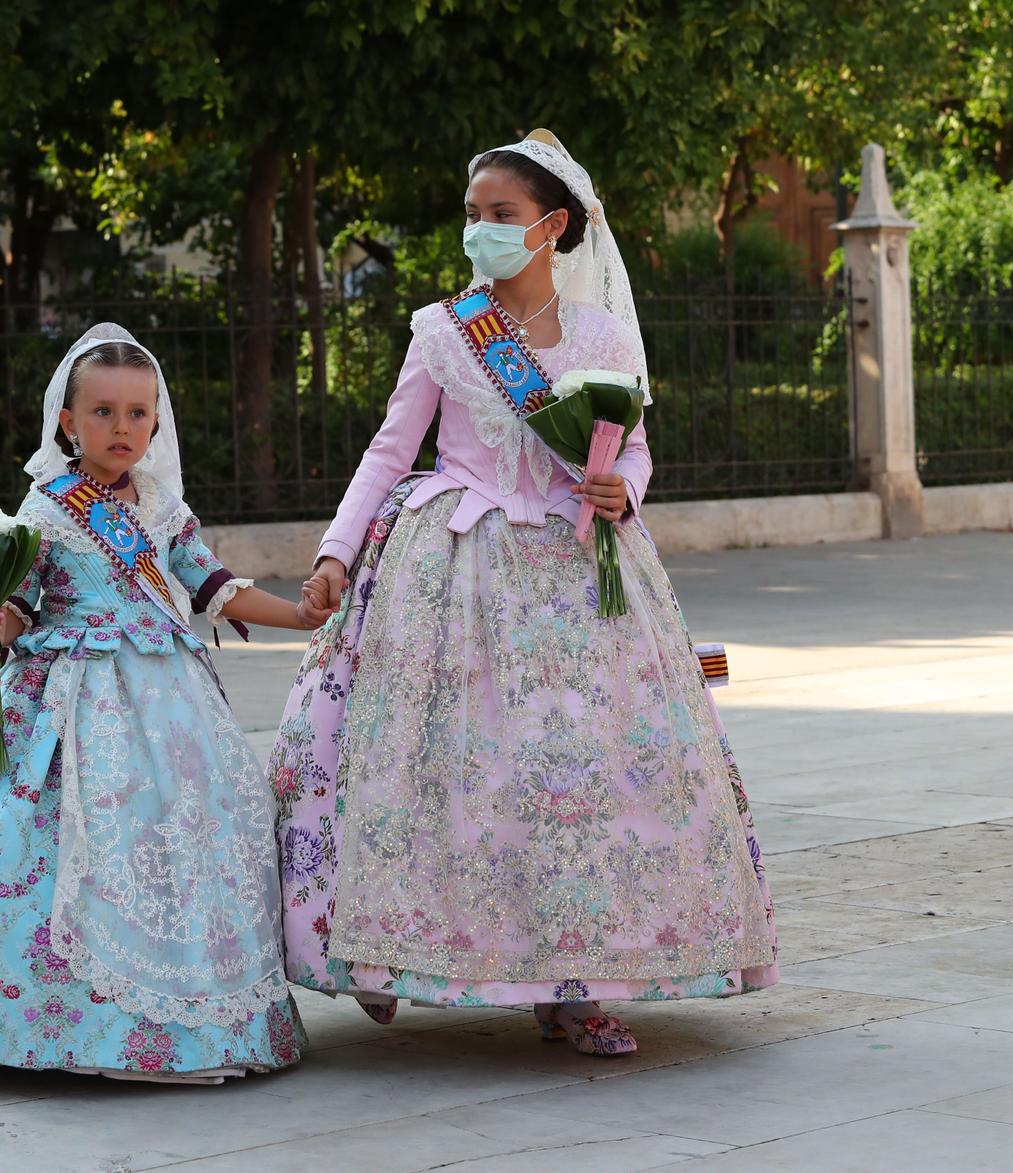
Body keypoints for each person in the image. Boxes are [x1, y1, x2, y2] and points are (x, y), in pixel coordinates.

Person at [271, 130, 777, 1057]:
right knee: (450, 776)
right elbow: (391, 449)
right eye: (472, 216)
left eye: (499, 216)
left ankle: (575, 984)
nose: (480, 232)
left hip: (581, 574)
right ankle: (401, 960)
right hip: (452, 573)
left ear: (550, 226)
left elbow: (632, 444)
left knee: (577, 781)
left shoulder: (604, 335)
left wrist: (627, 486)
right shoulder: (443, 329)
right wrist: (337, 553)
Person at [0, 323, 324, 1082]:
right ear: (68, 422)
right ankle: (41, 1017)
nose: (121, 427)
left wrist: (301, 616)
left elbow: (215, 587)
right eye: (102, 412)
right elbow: (21, 603)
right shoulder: (47, 508)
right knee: (51, 838)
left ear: (156, 421)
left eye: (138, 413)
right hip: (67, 692)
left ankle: (188, 1014)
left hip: (169, 699)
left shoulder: (164, 509)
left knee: (184, 833)